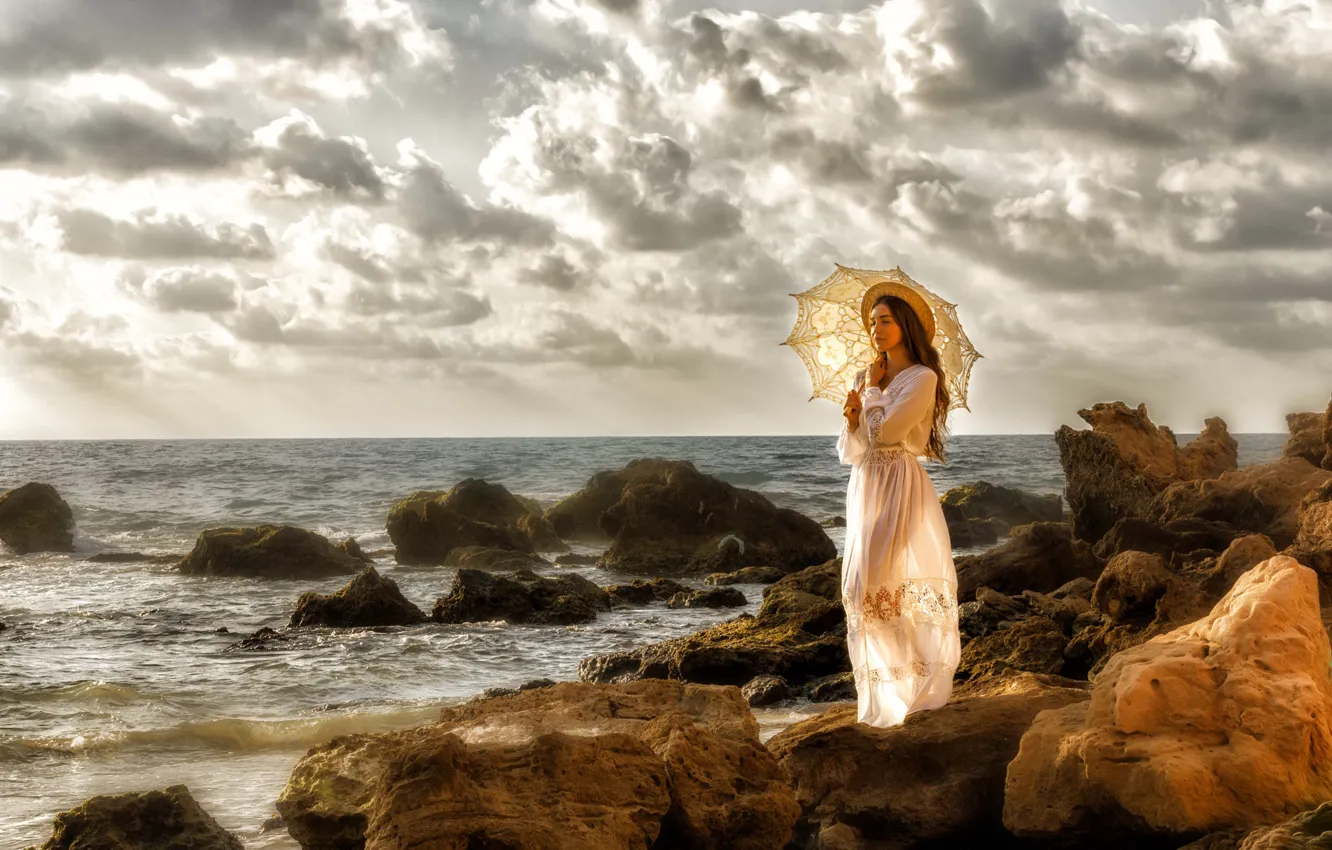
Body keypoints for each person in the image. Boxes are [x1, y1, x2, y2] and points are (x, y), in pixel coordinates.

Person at [836, 283, 961, 727]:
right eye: (872, 322)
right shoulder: (863, 378)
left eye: (885, 321)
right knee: (859, 590)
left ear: (905, 327)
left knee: (881, 585)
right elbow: (854, 450)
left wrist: (871, 394)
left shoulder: (921, 379)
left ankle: (918, 688)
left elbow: (888, 435)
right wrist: (852, 420)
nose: (876, 329)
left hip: (899, 483)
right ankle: (886, 696)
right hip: (865, 482)